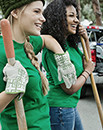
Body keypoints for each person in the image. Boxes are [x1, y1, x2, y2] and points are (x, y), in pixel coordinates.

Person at [0, 0, 76, 129]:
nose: (43, 19)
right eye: (36, 11)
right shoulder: (2, 51)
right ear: (15, 12)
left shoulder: (28, 43)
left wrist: (62, 57)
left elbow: (48, 39)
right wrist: (11, 91)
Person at [41, 0, 94, 129]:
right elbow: (70, 88)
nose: (76, 20)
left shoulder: (69, 44)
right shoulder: (53, 50)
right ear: (58, 18)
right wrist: (87, 72)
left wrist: (86, 39)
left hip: (69, 105)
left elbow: (87, 62)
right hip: (59, 107)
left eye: (76, 16)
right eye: (71, 16)